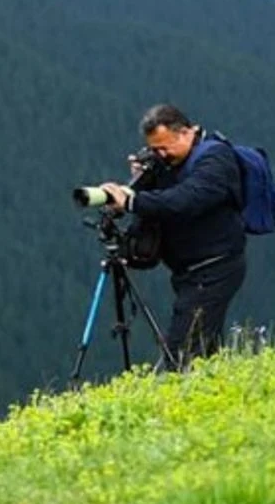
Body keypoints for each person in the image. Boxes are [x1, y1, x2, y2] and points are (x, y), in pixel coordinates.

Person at [97, 104, 248, 371]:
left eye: (165, 147)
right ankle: (216, 389)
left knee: (182, 353)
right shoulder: (170, 164)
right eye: (155, 149)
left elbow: (184, 201)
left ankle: (187, 389)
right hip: (189, 271)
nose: (162, 154)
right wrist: (141, 180)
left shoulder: (216, 159)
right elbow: (166, 198)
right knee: (204, 350)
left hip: (215, 268)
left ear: (186, 132)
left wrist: (132, 202)